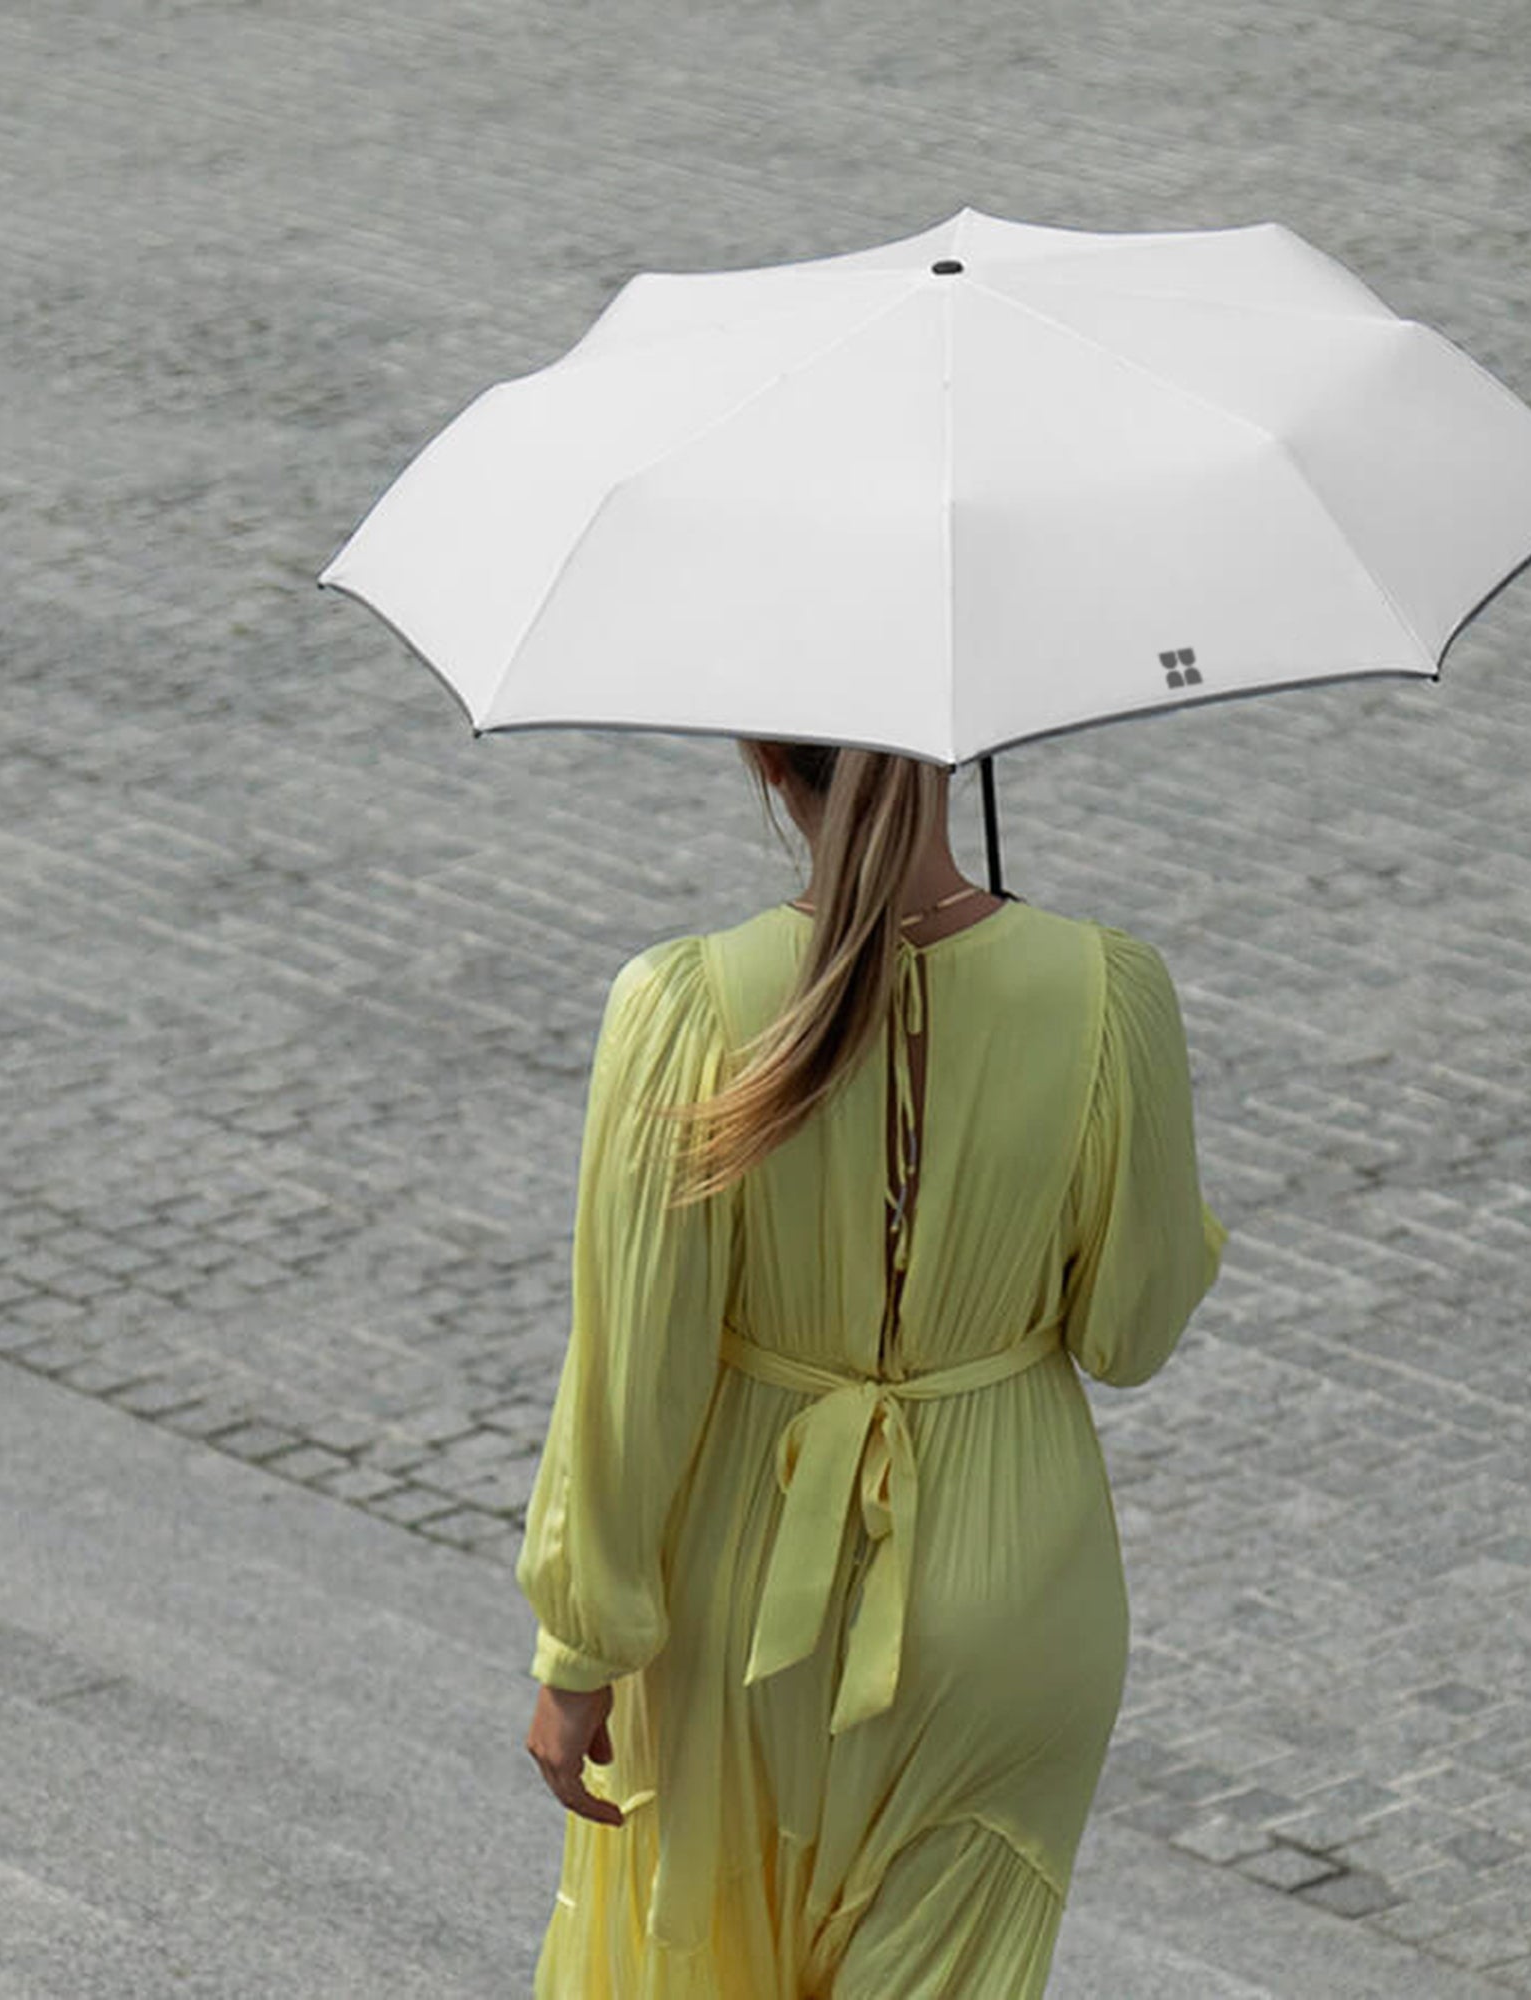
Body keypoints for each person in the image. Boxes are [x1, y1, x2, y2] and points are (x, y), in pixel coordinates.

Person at [517, 740, 1227, 1998]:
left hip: (743, 1620)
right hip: (1009, 1604)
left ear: (761, 762)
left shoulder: (684, 1003)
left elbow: (634, 1371)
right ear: (967, 743)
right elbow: (1128, 1329)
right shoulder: (1109, 993)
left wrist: (581, 1648)